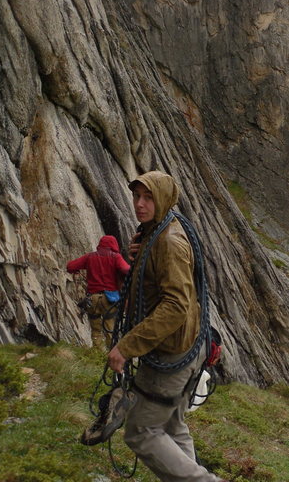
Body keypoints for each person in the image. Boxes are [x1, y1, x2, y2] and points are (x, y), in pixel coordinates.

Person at [107, 171, 223, 482]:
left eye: (148, 198)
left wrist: (127, 345)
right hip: (185, 346)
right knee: (172, 425)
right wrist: (142, 253)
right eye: (137, 196)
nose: (140, 204)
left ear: (163, 200)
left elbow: (175, 306)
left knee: (141, 432)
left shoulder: (169, 241)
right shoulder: (157, 231)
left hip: (172, 354)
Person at [67, 235, 130, 348]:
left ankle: (97, 355)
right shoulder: (116, 257)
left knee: (96, 331)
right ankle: (111, 356)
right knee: (110, 329)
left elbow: (70, 266)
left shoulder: (90, 257)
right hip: (110, 299)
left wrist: (78, 269)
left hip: (92, 299)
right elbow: (126, 270)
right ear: (114, 245)